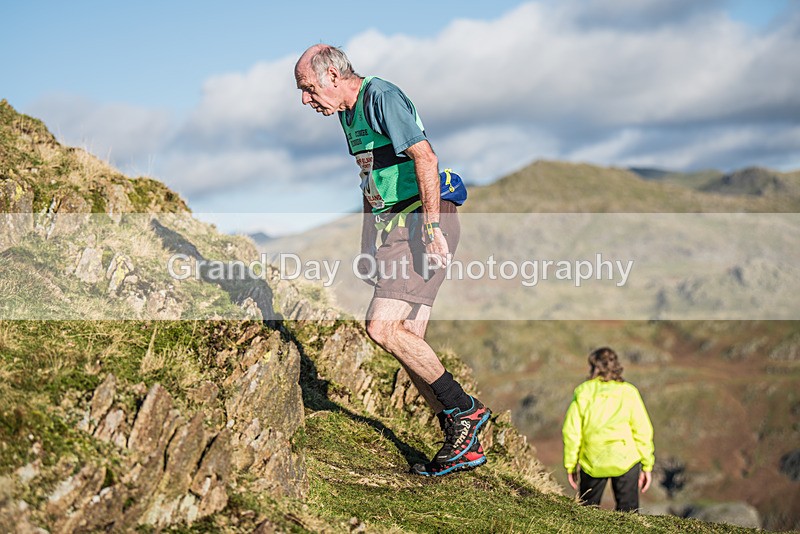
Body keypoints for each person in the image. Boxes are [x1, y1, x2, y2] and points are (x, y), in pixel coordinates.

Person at [294, 44, 490, 476]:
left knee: (381, 327)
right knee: (410, 337)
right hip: (395, 227)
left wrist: (432, 228)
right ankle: (462, 444)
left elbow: (426, 157)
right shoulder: (348, 113)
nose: (306, 100)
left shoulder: (380, 96)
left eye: (308, 89)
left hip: (420, 221)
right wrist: (368, 244)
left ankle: (465, 413)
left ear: (332, 75)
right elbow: (370, 177)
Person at [562, 347, 655, 512]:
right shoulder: (629, 392)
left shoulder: (583, 391)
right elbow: (642, 431)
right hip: (626, 458)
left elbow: (572, 432)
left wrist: (571, 464)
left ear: (593, 366)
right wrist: (647, 465)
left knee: (586, 512)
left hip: (592, 459)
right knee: (629, 515)